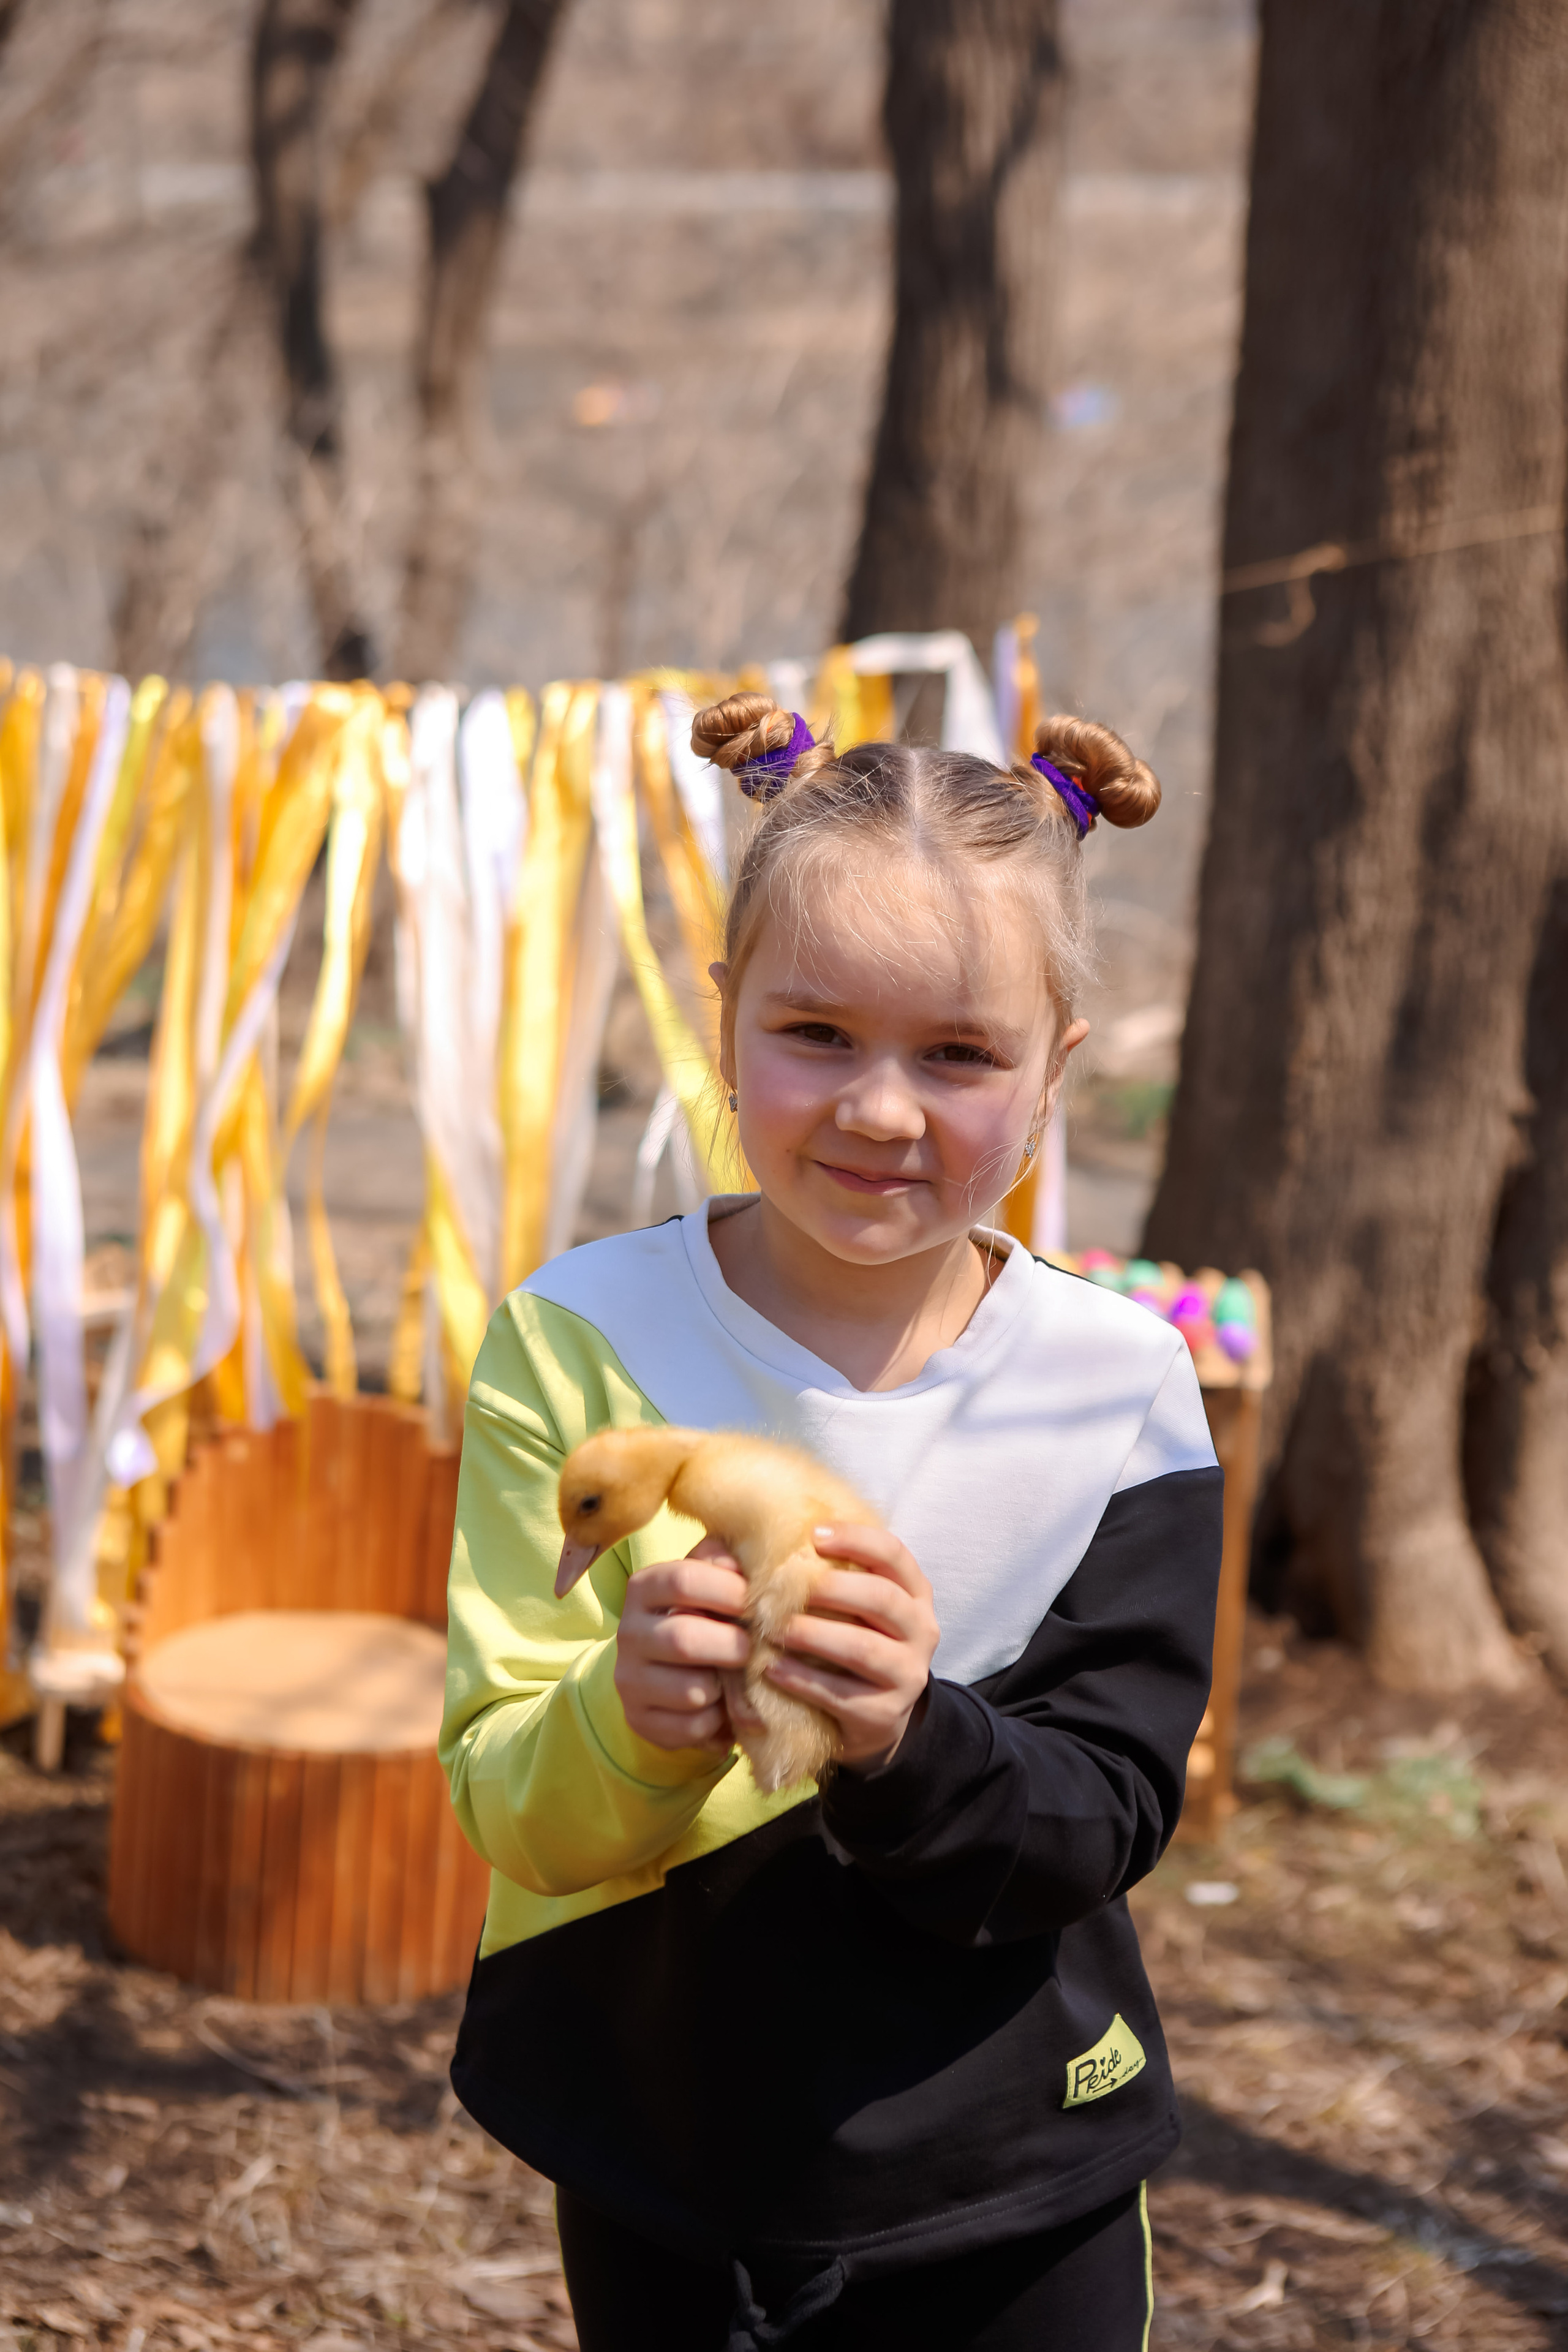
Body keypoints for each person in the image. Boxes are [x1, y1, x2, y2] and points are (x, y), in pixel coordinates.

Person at [440, 696, 1223, 2351]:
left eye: (958, 1054)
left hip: (1016, 2155)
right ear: (724, 1027)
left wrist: (910, 1742)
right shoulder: (578, 1342)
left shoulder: (1121, 1386)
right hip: (666, 2140)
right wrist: (628, 1718)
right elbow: (514, 1802)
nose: (882, 1111)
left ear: (1055, 1072)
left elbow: (1106, 1810)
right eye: (817, 1035)